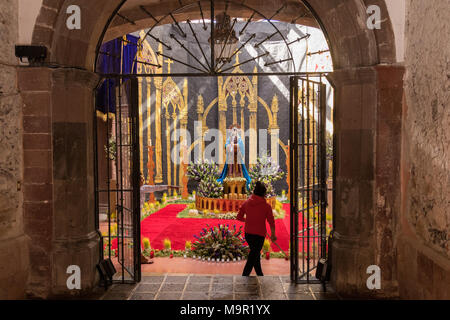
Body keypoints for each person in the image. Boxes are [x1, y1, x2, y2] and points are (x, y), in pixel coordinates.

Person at [236, 181, 276, 276]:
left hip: (248, 234)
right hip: (259, 235)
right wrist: (273, 234)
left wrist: (248, 220)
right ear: (263, 193)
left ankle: (260, 274)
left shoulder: (246, 203)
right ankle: (245, 275)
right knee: (254, 254)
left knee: (255, 254)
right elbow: (271, 221)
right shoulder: (266, 206)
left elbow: (239, 217)